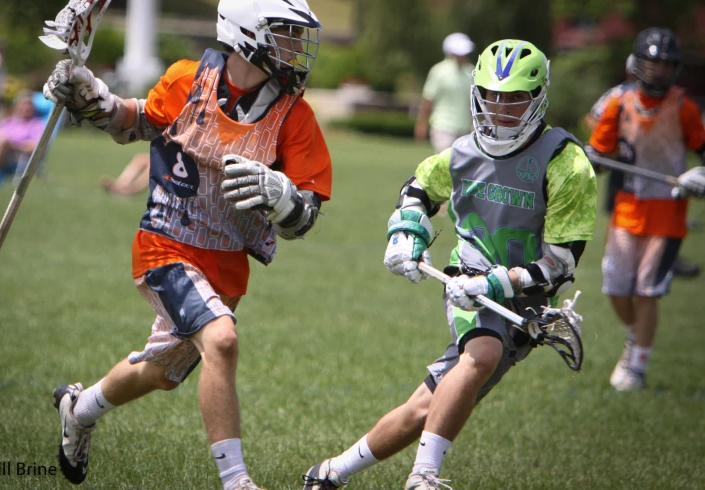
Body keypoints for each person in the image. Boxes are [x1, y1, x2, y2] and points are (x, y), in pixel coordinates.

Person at [43, 0, 331, 490]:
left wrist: (284, 199)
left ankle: (79, 409)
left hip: (226, 266)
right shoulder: (186, 79)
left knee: (161, 372)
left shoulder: (295, 115)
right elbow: (135, 123)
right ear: (247, 36)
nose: (294, 47)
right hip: (166, 242)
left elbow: (306, 216)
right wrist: (92, 98)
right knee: (220, 340)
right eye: (284, 34)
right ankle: (237, 481)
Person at [302, 39, 596, 490]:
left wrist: (500, 283)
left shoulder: (567, 164)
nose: (500, 109)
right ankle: (423, 477)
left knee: (427, 406)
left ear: (538, 99)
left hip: (523, 304)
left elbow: (559, 263)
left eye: (515, 98)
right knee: (483, 353)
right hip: (467, 279)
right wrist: (406, 234)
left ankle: (331, 473)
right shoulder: (462, 152)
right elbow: (418, 188)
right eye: (491, 96)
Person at [588, 28, 705, 391]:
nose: (657, 71)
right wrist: (594, 160)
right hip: (626, 208)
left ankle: (637, 365)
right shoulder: (618, 104)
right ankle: (635, 337)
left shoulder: (684, 108)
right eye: (651, 62)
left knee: (647, 289)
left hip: (667, 212)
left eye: (665, 64)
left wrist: (699, 174)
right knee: (615, 287)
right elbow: (599, 154)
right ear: (637, 63)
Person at [586, 54, 700, 278]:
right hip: (623, 164)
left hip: (657, 170)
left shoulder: (669, 99)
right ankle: (616, 260)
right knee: (617, 213)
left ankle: (665, 259)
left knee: (663, 215)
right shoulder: (619, 94)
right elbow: (592, 119)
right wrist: (613, 144)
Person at [414, 33, 475, 154]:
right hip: (442, 126)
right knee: (447, 162)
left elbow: (473, 102)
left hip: (464, 129)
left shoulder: (472, 72)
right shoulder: (439, 71)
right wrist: (421, 124)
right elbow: (428, 99)